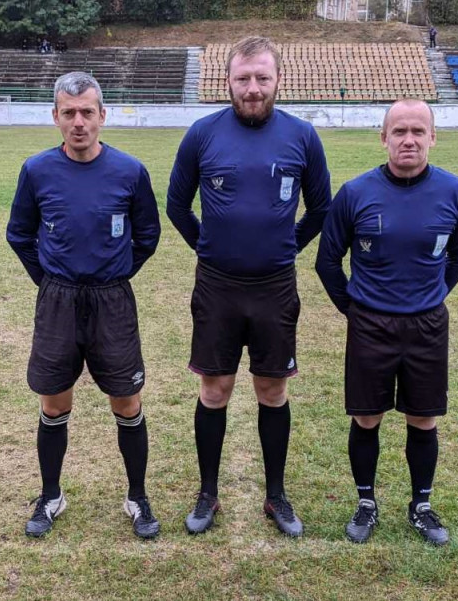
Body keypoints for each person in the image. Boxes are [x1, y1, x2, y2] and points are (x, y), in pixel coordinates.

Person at [167, 36, 331, 538]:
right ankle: (207, 493)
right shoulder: (202, 134)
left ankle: (276, 495)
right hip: (217, 287)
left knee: (272, 389)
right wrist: (209, 247)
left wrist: (285, 247)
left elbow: (320, 209)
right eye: (243, 78)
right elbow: (176, 206)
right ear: (228, 81)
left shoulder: (302, 136)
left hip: (275, 287)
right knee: (214, 390)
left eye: (262, 77)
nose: (253, 88)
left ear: (279, 80)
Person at [7, 71, 162, 539]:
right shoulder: (36, 170)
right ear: (55, 116)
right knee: (54, 401)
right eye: (69, 113)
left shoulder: (130, 171)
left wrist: (115, 273)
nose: (79, 122)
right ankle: (51, 495)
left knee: (127, 400)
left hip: (112, 301)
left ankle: (137, 497)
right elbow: (19, 234)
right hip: (58, 300)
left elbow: (147, 236)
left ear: (102, 116)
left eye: (87, 112)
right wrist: (49, 280)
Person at [315, 98, 458, 545]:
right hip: (370, 325)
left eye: (418, 131)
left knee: (423, 418)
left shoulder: (455, 192)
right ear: (383, 137)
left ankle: (420, 506)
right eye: (399, 131)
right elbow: (327, 262)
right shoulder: (355, 193)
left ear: (433, 137)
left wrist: (432, 294)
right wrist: (354, 310)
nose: (409, 140)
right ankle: (366, 502)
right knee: (367, 417)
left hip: (427, 327)